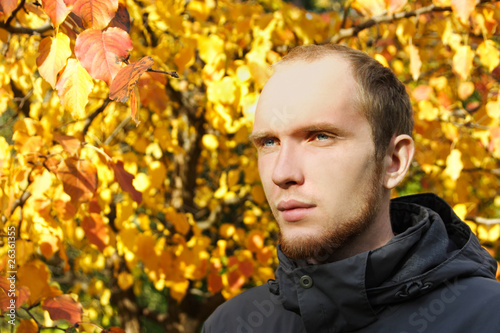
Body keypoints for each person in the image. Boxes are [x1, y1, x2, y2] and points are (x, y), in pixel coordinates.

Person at [202, 44, 500, 333]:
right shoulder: (232, 324)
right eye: (269, 142)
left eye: (320, 137)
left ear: (394, 161)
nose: (282, 173)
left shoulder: (486, 318)